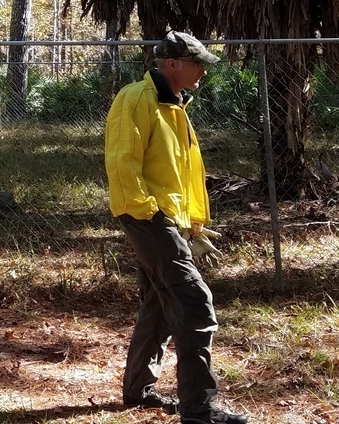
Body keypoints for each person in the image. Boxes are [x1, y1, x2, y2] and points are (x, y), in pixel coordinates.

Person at [104, 31, 247, 424]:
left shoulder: (175, 105)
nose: (203, 70)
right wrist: (151, 215)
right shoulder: (136, 98)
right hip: (148, 217)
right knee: (194, 305)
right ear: (173, 64)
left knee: (159, 306)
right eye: (197, 63)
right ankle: (200, 409)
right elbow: (122, 162)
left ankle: (137, 391)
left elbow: (177, 173)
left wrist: (192, 225)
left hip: (167, 220)